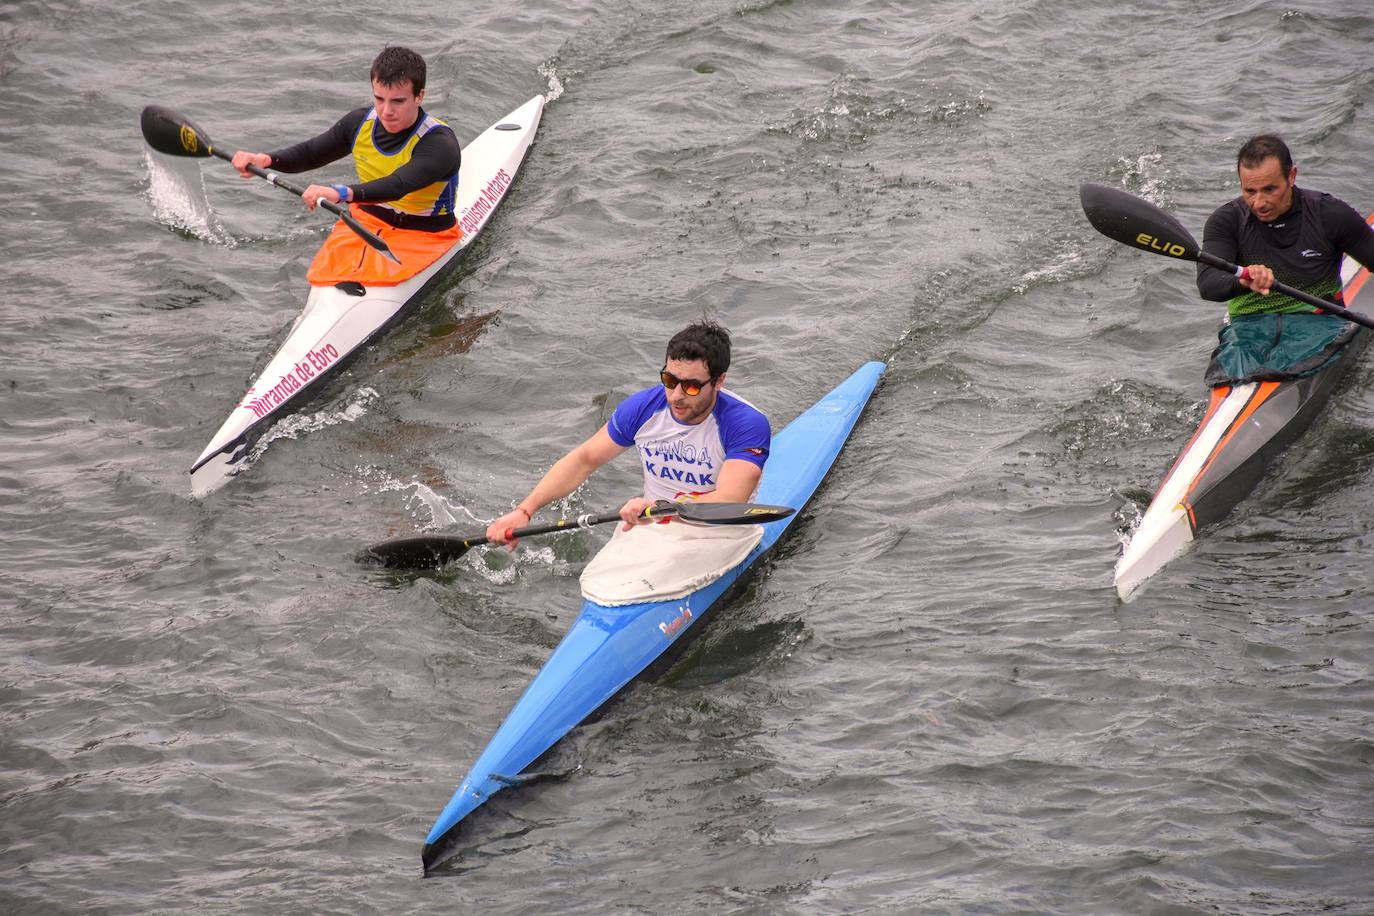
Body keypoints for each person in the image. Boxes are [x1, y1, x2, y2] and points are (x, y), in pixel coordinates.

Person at [486, 321, 771, 546]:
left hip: (722, 533)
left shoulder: (745, 424)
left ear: (719, 381)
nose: (676, 396)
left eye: (691, 386)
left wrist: (658, 508)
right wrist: (525, 511)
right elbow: (584, 459)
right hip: (652, 525)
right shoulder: (642, 408)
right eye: (670, 381)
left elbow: (729, 498)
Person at [1197, 134, 1374, 381]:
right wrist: (1244, 281)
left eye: (1269, 189)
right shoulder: (1226, 221)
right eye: (1250, 191)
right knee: (1231, 371)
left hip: (1317, 321)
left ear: (1291, 177)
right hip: (1249, 326)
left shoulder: (1329, 215)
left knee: (1285, 360)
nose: (1259, 202)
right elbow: (1208, 285)